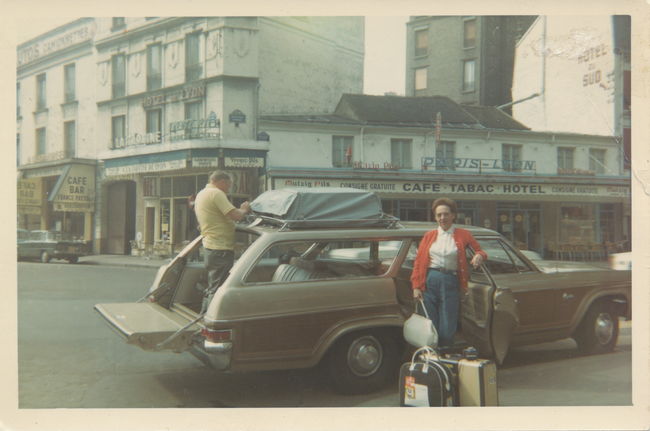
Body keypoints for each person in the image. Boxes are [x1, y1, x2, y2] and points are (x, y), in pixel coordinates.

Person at [410, 197, 487, 349]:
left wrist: (479, 256)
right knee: (429, 322)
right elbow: (418, 262)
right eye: (439, 215)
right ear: (435, 217)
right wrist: (416, 286)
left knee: (448, 322)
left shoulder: (463, 234)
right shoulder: (428, 236)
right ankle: (431, 357)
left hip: (450, 281)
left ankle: (445, 353)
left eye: (446, 214)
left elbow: (480, 250)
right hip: (429, 280)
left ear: (453, 215)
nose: (442, 218)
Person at [194, 171, 251, 311]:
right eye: (229, 184)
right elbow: (236, 216)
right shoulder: (217, 194)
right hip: (220, 248)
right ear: (222, 182)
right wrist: (244, 209)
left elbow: (219, 216)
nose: (229, 188)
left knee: (213, 285)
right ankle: (209, 319)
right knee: (218, 289)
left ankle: (204, 315)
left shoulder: (202, 193)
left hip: (210, 246)